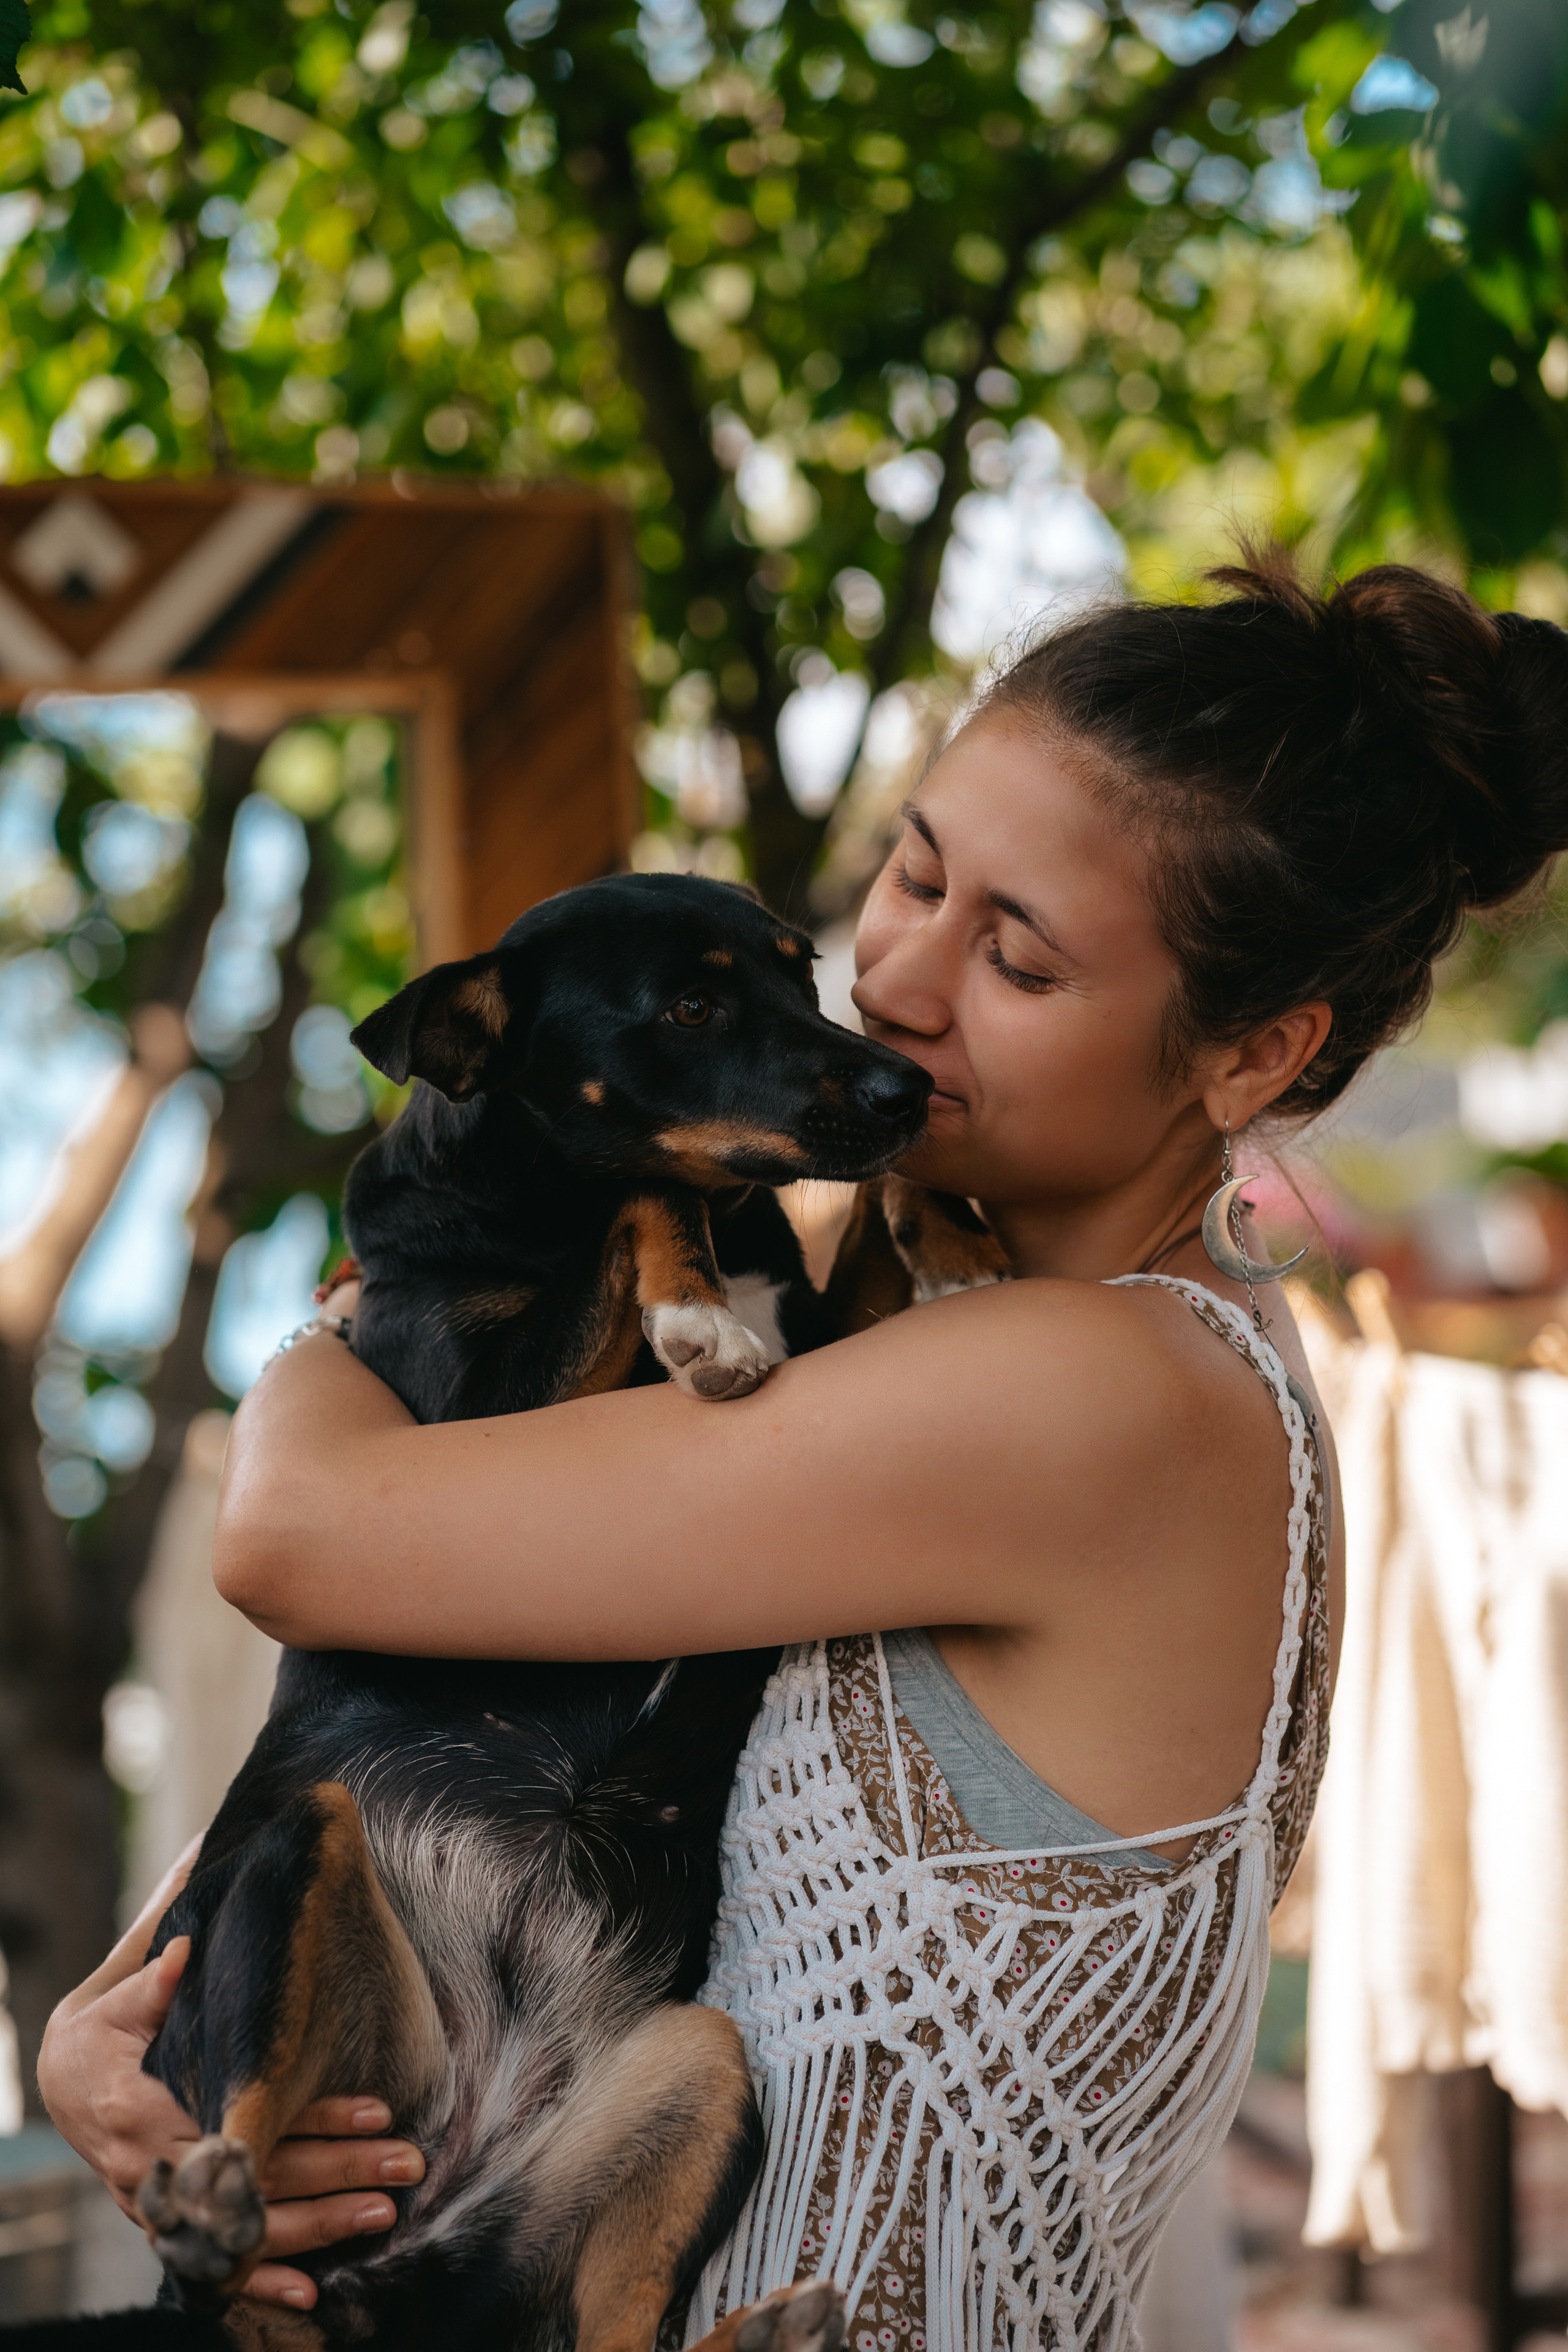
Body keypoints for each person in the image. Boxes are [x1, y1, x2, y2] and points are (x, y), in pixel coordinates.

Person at [40, 549, 1568, 2345]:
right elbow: (448, 1737)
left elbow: (300, 1529)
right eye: (913, 875)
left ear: (1253, 1056)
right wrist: (143, 2027)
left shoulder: (1091, 1394)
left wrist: (349, 1312)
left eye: (1018, 957)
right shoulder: (972, 1333)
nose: (900, 982)